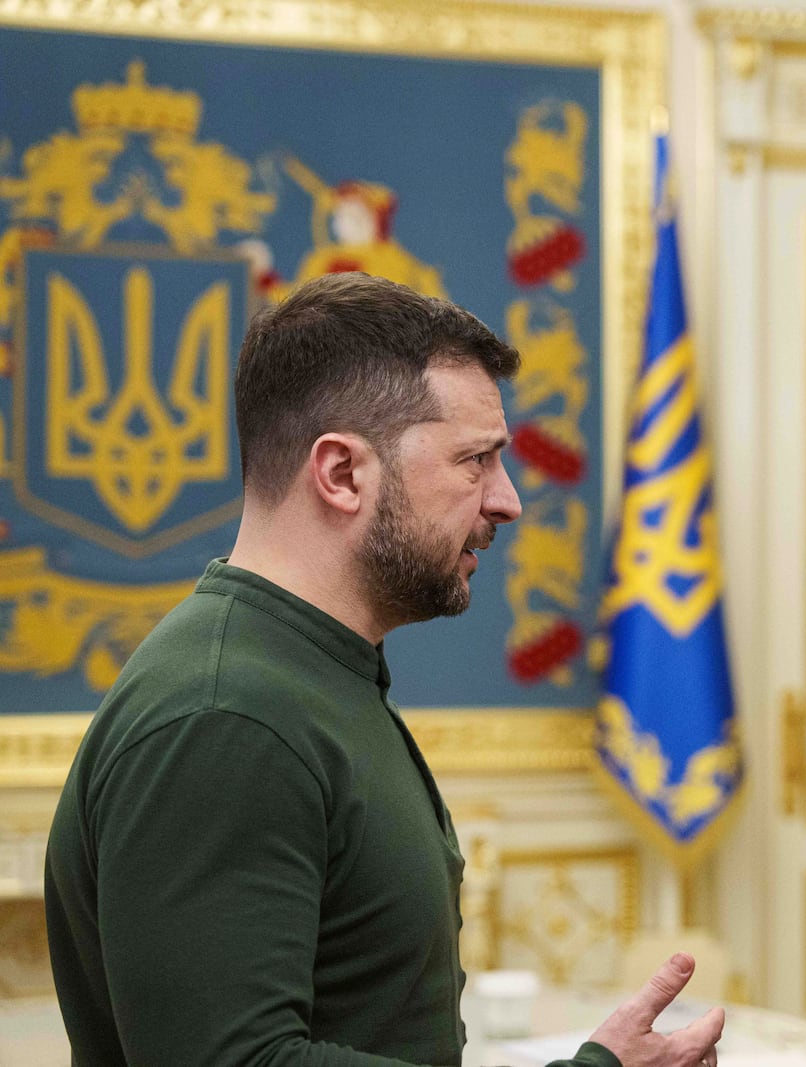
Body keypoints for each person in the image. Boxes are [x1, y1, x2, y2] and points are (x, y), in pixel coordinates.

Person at [45, 272, 723, 1067]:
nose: (507, 500)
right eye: (476, 460)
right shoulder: (226, 713)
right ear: (341, 473)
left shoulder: (306, 671)